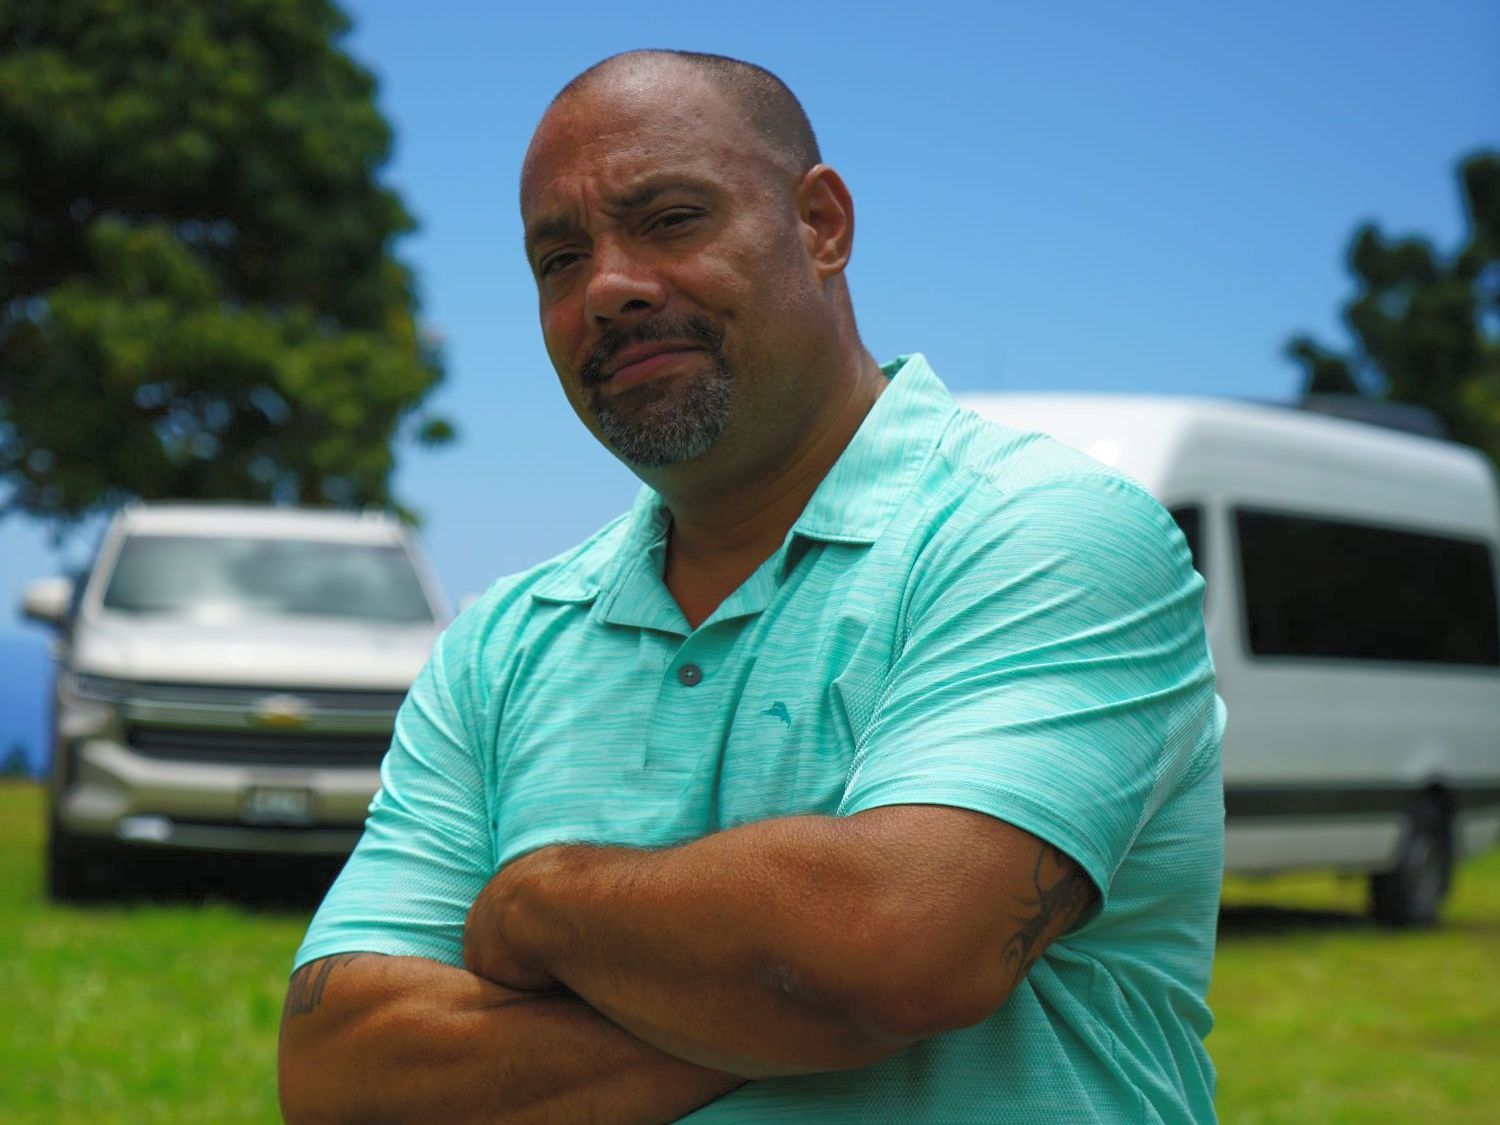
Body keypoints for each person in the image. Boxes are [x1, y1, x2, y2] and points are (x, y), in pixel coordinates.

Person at [278, 49, 1225, 1124]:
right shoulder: (504, 642)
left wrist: (540, 906)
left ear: (821, 226)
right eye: (559, 257)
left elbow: (899, 948)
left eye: (672, 218)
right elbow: (337, 1075)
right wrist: (791, 1003)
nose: (609, 287)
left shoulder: (1042, 534)